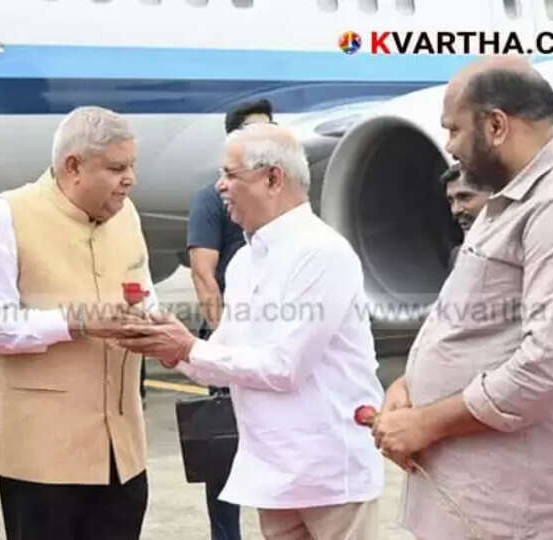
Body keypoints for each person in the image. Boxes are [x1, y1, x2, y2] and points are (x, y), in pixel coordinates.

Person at [373, 57, 553, 539]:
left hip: (515, 510)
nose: (449, 148)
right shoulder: (512, 199)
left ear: (496, 125)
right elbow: (479, 321)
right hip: (471, 500)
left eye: (453, 130)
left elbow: (547, 367)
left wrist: (427, 423)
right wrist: (410, 385)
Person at [121, 123, 384, 540]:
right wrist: (171, 348)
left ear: (273, 178)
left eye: (230, 175)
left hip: (330, 474)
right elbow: (227, 355)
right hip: (273, 473)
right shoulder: (245, 262)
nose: (220, 187)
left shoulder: (321, 253)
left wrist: (190, 348)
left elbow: (284, 367)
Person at [0, 106, 154, 540]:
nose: (130, 179)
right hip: (41, 458)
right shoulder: (7, 215)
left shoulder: (127, 215)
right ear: (73, 167)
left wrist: (156, 329)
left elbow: (144, 293)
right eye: (117, 168)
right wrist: (74, 322)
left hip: (121, 452)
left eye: (132, 166)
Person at [186, 97, 275, 540]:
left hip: (275, 342)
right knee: (223, 454)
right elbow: (204, 273)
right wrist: (225, 344)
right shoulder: (212, 198)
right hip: (233, 344)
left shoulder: (286, 195)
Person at [440, 162, 491, 268]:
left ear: (495, 195)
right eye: (451, 201)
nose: (455, 210)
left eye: (464, 197)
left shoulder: (526, 246)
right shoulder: (458, 257)